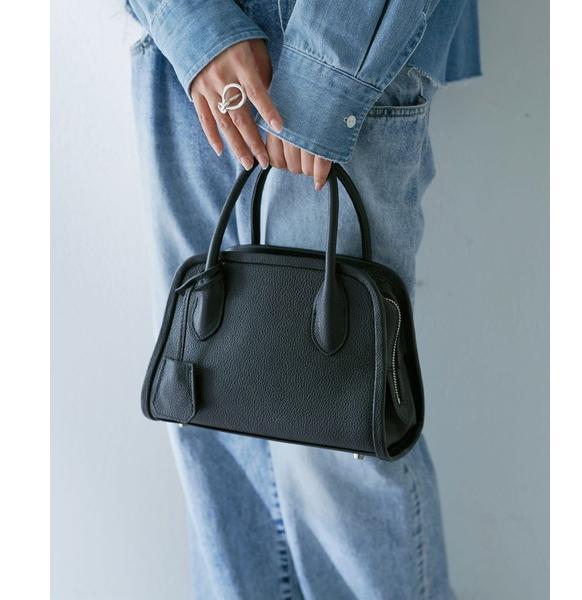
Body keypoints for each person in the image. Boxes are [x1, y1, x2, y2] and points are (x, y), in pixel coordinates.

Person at [127, 1, 481, 597]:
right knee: (210, 425)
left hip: (349, 43)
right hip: (185, 62)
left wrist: (327, 73)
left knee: (341, 440)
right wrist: (190, 21)